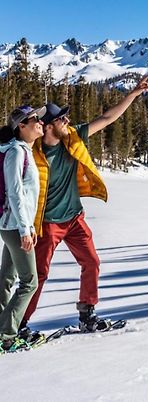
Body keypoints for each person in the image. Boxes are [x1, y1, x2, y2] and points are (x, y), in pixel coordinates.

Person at [21, 76, 148, 334]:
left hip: (73, 219)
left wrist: (134, 94)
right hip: (47, 224)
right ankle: (19, 323)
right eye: (61, 119)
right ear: (47, 127)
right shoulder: (31, 152)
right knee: (39, 275)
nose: (66, 121)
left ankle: (87, 314)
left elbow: (106, 118)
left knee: (91, 262)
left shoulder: (72, 137)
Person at [0, 105, 46, 353]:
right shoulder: (17, 152)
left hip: (13, 226)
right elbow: (15, 193)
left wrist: (27, 225)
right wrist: (25, 228)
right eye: (34, 119)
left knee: (7, 278)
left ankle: (3, 330)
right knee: (30, 282)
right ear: (21, 126)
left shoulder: (23, 150)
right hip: (14, 226)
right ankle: (6, 336)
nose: (40, 122)